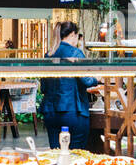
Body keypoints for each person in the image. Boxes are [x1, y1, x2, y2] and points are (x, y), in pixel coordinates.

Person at [41, 21, 103, 149]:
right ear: (73, 35)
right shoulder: (75, 53)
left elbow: (44, 86)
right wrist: (97, 78)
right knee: (76, 154)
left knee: (55, 153)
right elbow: (86, 81)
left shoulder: (49, 54)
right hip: (73, 111)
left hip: (50, 112)